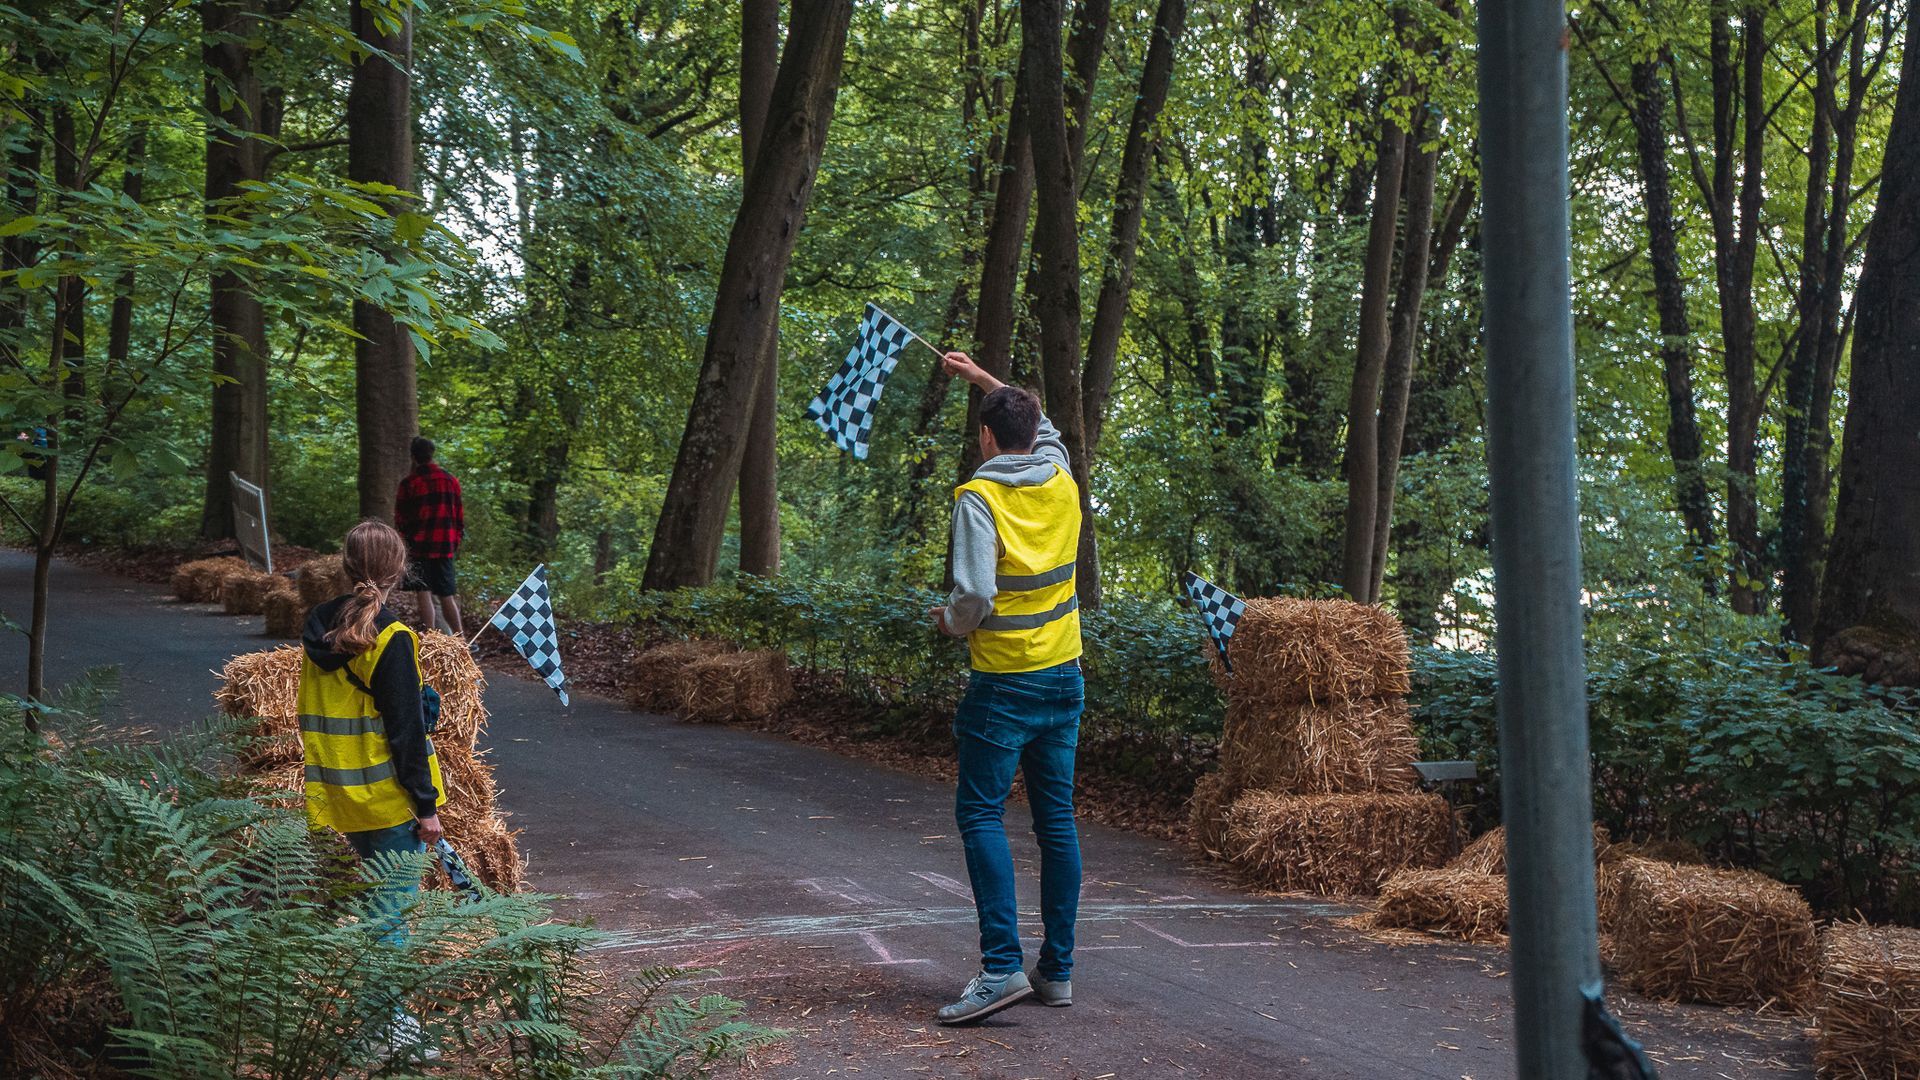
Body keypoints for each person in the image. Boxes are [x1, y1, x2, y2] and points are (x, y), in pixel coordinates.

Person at [928, 351, 1085, 1025]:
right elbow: (1042, 424)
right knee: (1055, 823)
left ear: (986, 438)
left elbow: (975, 595)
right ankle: (1056, 973)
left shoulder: (978, 497)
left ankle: (999, 969)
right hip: (1064, 676)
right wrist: (988, 381)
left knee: (981, 815)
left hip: (1003, 684)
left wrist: (948, 623)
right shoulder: (1060, 476)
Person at [297, 519, 447, 1058]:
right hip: (388, 800)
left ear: (343, 565)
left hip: (341, 796)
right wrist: (426, 808)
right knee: (391, 919)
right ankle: (392, 1035)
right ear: (399, 570)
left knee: (378, 913)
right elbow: (405, 734)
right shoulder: (392, 636)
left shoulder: (317, 626)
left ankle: (376, 1027)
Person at [393, 436, 465, 637]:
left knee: (423, 593)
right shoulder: (450, 480)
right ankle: (462, 640)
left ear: (413, 457)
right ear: (432, 454)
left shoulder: (409, 483)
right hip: (444, 547)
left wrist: (405, 545)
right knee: (447, 595)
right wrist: (454, 541)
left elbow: (401, 519)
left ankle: (431, 639)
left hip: (418, 546)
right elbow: (459, 517)